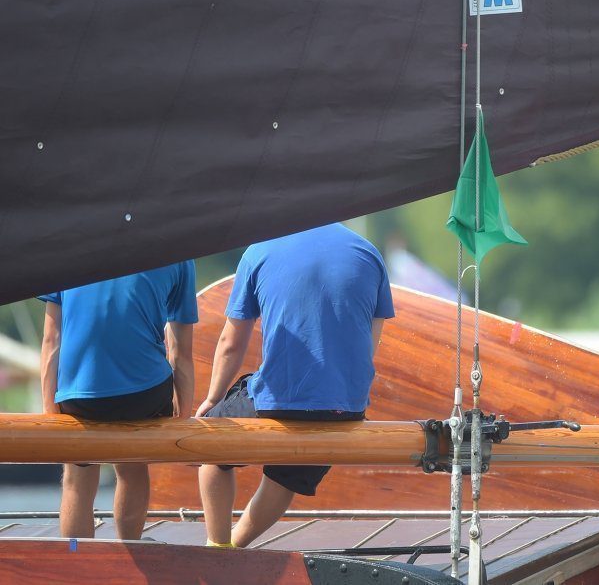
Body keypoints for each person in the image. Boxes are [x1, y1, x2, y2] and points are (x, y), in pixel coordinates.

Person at [196, 223, 395, 548]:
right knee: (283, 479)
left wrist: (213, 398)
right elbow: (369, 343)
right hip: (346, 409)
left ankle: (218, 549)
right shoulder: (368, 253)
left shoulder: (259, 251)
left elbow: (231, 342)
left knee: (209, 450)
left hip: (277, 401)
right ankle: (235, 547)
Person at [38, 263, 198, 539]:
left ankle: (77, 564)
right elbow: (181, 354)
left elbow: (51, 341)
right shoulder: (179, 250)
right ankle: (129, 549)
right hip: (144, 395)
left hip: (78, 395)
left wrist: (51, 415)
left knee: (77, 477)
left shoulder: (68, 247)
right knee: (133, 467)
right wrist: (182, 422)